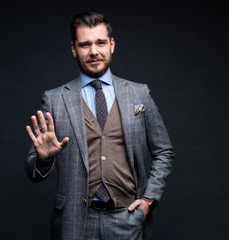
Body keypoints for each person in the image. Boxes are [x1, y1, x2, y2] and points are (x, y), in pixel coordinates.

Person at [25, 12, 174, 240]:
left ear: (112, 45)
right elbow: (33, 171)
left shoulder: (138, 93)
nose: (93, 51)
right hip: (74, 223)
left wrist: (148, 200)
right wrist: (44, 159)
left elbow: (164, 151)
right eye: (85, 45)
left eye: (100, 43)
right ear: (74, 49)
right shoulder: (54, 100)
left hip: (128, 219)